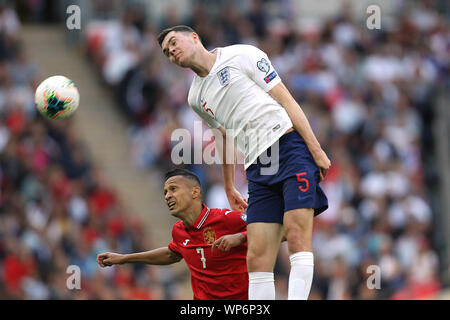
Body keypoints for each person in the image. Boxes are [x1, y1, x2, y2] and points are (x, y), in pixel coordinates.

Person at [157, 25, 330, 300]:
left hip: (288, 147)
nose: (172, 52)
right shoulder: (195, 98)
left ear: (194, 38)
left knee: (296, 234)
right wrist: (229, 187)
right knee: (257, 255)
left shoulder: (242, 55)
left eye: (174, 43)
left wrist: (315, 149)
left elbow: (286, 100)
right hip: (256, 167)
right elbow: (223, 138)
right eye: (167, 52)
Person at [97, 168, 248, 300]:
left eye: (173, 189)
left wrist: (241, 237)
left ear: (195, 191)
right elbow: (172, 254)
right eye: (165, 192)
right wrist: (123, 259)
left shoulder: (226, 218)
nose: (167, 196)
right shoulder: (179, 231)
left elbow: (267, 228)